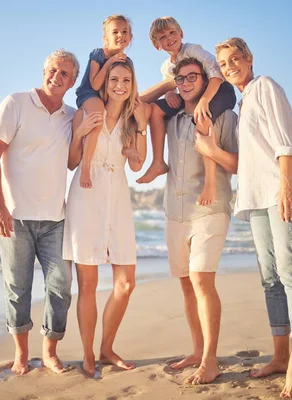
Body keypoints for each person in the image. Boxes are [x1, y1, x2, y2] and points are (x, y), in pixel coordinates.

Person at [215, 37, 292, 398]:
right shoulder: (243, 104)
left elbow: (286, 140)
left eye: (235, 59)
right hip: (256, 198)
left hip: (282, 192)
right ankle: (278, 354)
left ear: (249, 58)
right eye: (224, 64)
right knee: (270, 278)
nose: (230, 67)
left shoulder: (266, 86)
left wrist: (286, 185)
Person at [0, 49, 79, 376]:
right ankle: (21, 355)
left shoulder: (71, 115)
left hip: (56, 218)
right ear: (43, 71)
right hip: (16, 216)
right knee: (18, 287)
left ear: (73, 81)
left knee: (61, 287)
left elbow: (76, 158)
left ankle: (49, 351)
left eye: (65, 73)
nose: (56, 77)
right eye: (53, 70)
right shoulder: (16, 103)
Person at [63, 59, 150, 377]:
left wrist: (140, 127)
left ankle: (106, 348)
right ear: (105, 82)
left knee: (126, 284)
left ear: (132, 84)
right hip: (86, 197)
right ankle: (87, 355)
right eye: (114, 79)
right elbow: (72, 162)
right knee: (88, 284)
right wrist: (79, 134)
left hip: (118, 199)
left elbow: (139, 165)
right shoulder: (85, 112)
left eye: (127, 80)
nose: (120, 85)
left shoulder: (134, 117)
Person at [161, 57, 238, 384]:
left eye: (194, 76)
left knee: (202, 282)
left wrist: (211, 149)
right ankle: (196, 350)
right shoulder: (171, 119)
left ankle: (210, 360)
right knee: (186, 284)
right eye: (181, 78)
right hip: (175, 213)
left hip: (210, 210)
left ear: (206, 80)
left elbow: (236, 164)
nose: (187, 82)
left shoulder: (224, 117)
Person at [137, 16, 236, 208]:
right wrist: (168, 95)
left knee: (202, 117)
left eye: (172, 32)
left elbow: (216, 75)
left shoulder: (193, 50)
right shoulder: (167, 66)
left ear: (181, 34)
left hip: (219, 91)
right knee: (155, 110)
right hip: (191, 95)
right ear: (158, 45)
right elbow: (171, 85)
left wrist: (205, 101)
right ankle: (158, 162)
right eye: (163, 37)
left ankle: (210, 182)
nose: (169, 38)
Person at [75, 14, 139, 189]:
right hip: (90, 94)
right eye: (115, 31)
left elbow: (130, 86)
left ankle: (129, 146)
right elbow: (95, 83)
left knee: (134, 108)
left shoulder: (127, 61)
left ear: (130, 37)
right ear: (105, 38)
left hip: (108, 96)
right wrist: (110, 61)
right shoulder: (98, 54)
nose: (120, 35)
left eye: (125, 31)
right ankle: (86, 167)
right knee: (98, 118)